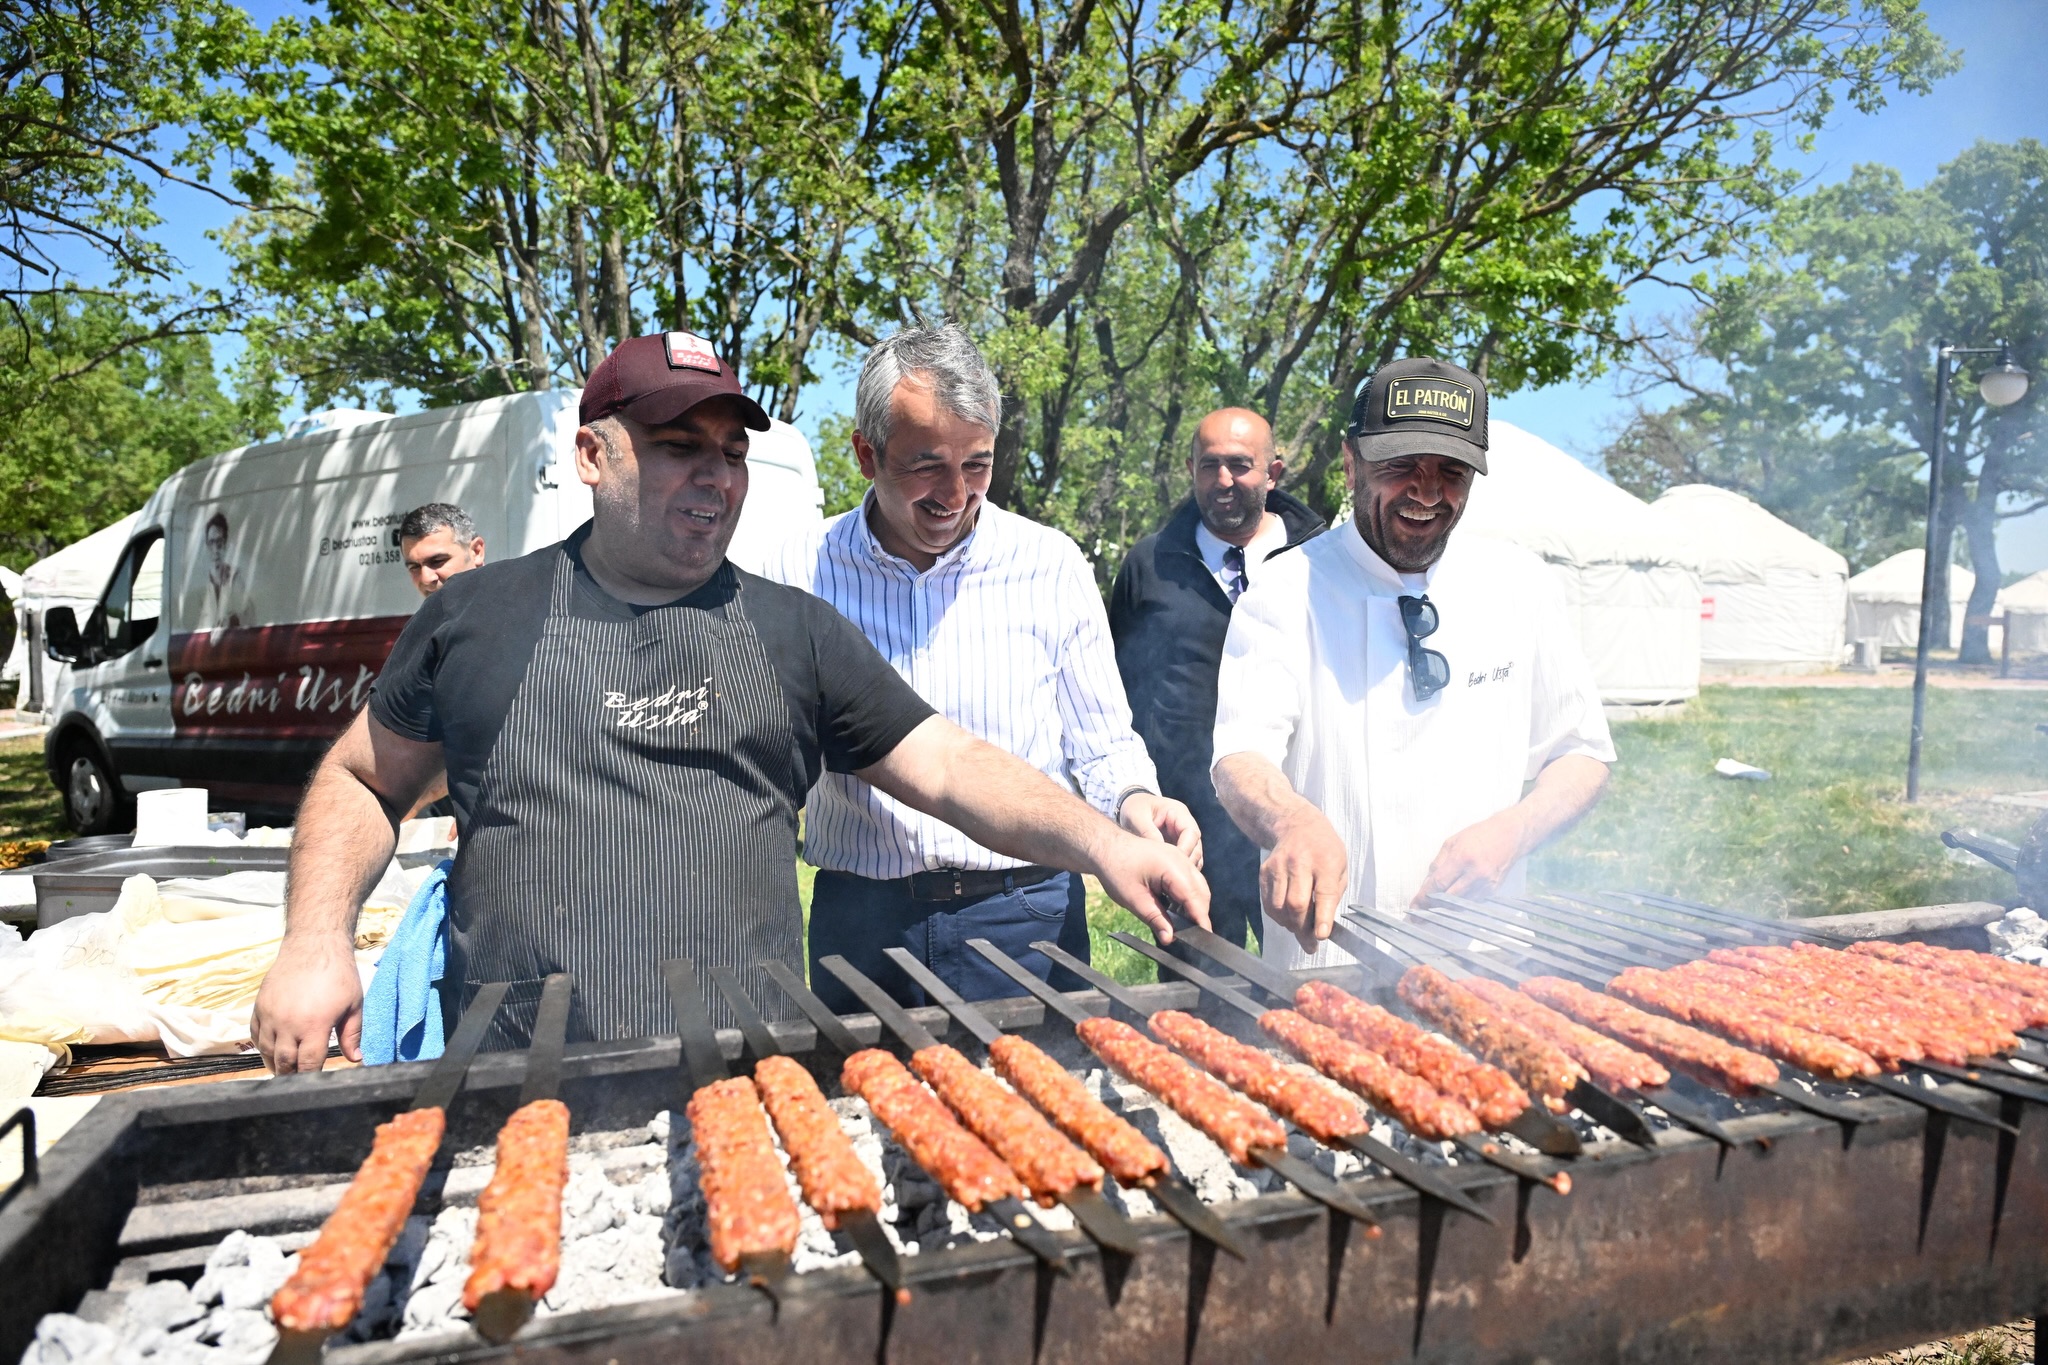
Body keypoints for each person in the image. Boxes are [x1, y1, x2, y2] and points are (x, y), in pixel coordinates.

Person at [249, 330, 1209, 1071]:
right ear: (592, 453)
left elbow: (952, 767)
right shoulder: (475, 615)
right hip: (520, 1075)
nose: (714, 475)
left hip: (752, 1074)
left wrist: (1104, 840)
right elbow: (364, 779)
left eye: (730, 452)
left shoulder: (792, 625)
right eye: (677, 447)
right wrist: (314, 937)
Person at [763, 324, 1203, 1011]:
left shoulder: (1050, 564)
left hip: (1025, 916)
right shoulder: (794, 569)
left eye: (977, 463)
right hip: (863, 921)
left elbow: (1104, 742)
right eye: (926, 464)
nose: (956, 492)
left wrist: (1136, 801)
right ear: (864, 453)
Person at [1209, 358, 1615, 966]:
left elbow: (1582, 755)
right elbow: (1239, 759)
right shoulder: (1286, 590)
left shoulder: (1519, 585)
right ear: (1351, 463)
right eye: (1401, 467)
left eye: (1451, 472)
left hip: (1487, 959)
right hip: (1330, 959)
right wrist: (1290, 820)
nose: (1427, 492)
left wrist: (1515, 833)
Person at [1109, 407, 1325, 958]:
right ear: (1191, 470)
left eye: (1240, 465)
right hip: (1190, 825)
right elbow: (1117, 691)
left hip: (1294, 816)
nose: (1224, 481)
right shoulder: (1150, 564)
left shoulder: (1321, 561)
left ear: (1274, 473)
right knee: (1197, 995)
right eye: (1210, 466)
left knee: (1309, 979)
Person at [399, 503, 486, 596]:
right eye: (414, 567)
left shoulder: (502, 605)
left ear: (476, 552)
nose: (426, 579)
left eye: (437, 561)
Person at [199, 512, 254, 632]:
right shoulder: (202, 584)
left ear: (225, 544)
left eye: (219, 543)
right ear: (207, 546)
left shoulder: (235, 578)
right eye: (211, 543)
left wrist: (233, 620)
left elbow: (250, 618)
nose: (215, 550)